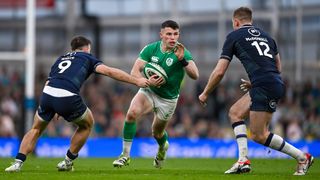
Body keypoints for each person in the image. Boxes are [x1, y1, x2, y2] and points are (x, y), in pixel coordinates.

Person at [5, 36, 149, 172]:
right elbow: (109, 72)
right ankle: (67, 161)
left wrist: (54, 106)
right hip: (67, 95)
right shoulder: (87, 57)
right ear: (87, 48)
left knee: (35, 129)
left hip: (48, 94)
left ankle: (18, 163)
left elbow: (49, 81)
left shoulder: (60, 59)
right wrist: (136, 81)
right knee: (87, 124)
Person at [198, 7, 314, 175]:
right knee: (235, 113)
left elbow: (220, 71)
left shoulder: (234, 36)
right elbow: (277, 68)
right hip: (270, 83)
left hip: (265, 85)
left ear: (236, 22)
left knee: (259, 135)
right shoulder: (268, 37)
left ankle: (302, 157)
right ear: (250, 20)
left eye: (233, 23)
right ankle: (243, 160)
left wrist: (205, 92)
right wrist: (256, 81)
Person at [112, 20, 199, 168]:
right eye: (169, 34)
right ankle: (125, 155)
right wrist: (145, 81)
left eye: (176, 34)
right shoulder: (151, 49)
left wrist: (183, 60)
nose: (173, 38)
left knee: (157, 133)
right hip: (149, 90)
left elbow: (195, 75)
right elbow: (135, 71)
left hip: (168, 99)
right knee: (132, 113)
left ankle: (162, 148)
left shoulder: (182, 52)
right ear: (161, 35)